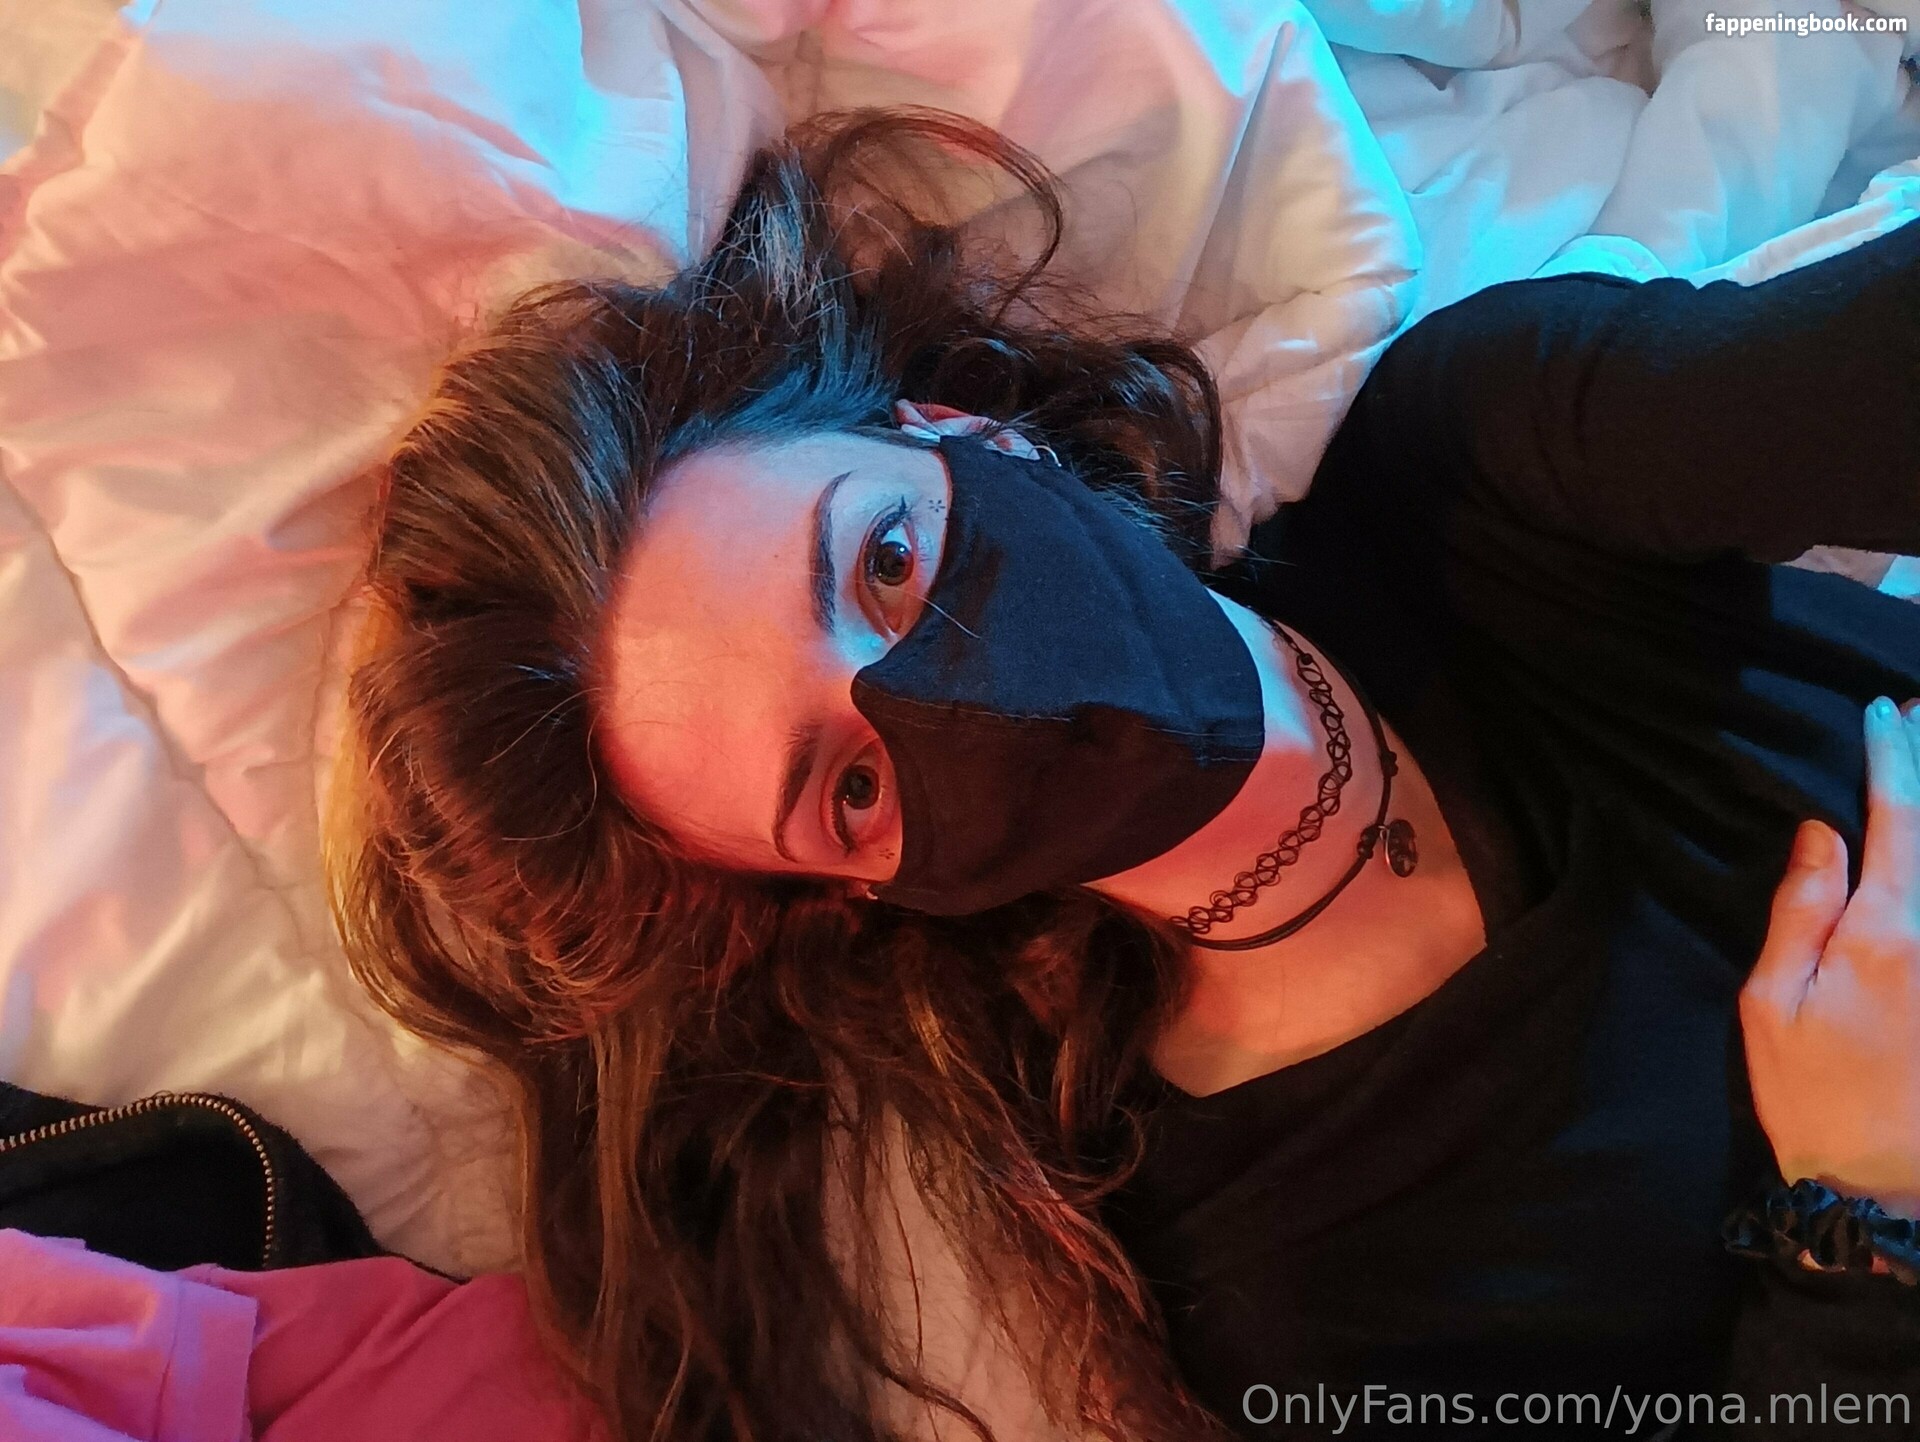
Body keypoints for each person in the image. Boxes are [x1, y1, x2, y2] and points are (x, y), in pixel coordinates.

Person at [321, 103, 1920, 1442]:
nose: (962, 702)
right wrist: (1861, 1218)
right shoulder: (1294, 1288)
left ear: (967, 433)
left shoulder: (1470, 473)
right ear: (857, 892)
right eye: (850, 784)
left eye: (888, 561)